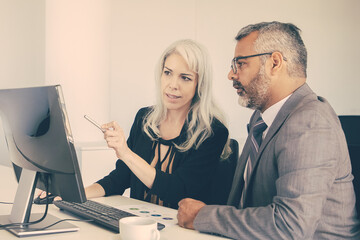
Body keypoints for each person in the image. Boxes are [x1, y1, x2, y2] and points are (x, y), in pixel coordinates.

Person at [177, 21, 360, 239]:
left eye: (240, 64)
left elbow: (289, 227)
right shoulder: (262, 118)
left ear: (274, 63)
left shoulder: (311, 122)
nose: (231, 75)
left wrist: (203, 216)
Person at [85, 39, 230, 209]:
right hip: (141, 223)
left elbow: (178, 191)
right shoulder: (144, 118)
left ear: (200, 85)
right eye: (168, 73)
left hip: (183, 229)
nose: (173, 85)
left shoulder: (213, 132)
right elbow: (120, 178)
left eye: (185, 78)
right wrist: (72, 195)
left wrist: (125, 152)